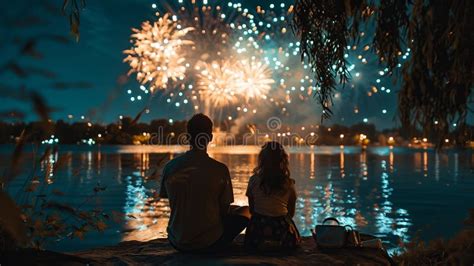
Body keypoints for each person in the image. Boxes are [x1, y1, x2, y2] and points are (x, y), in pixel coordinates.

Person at [159, 113, 250, 252]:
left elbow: (170, 200)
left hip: (176, 241)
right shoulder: (220, 169)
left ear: (187, 137)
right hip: (209, 242)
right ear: (211, 138)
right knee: (247, 211)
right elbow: (224, 211)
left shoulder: (170, 167)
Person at [244, 141, 300, 252]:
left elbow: (252, 209)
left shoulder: (254, 180)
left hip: (258, 232)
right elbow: (291, 213)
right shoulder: (289, 183)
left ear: (262, 160)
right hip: (281, 232)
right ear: (283, 160)